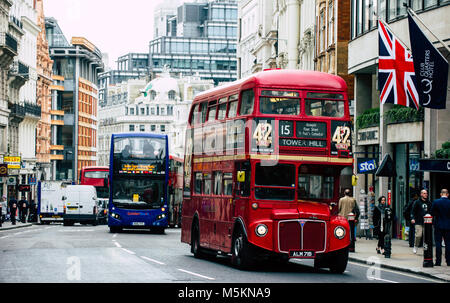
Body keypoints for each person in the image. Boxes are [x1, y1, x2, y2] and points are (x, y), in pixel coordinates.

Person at [430, 189, 450, 266]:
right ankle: (448, 261)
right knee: (448, 243)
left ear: (441, 194)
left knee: (438, 243)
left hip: (438, 225)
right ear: (447, 194)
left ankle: (438, 262)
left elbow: (431, 212)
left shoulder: (436, 202)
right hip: (448, 226)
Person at [410, 189, 431, 254]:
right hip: (418, 221)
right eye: (424, 193)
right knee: (418, 235)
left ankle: (425, 248)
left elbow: (431, 211)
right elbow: (413, 211)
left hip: (427, 222)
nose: (426, 195)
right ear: (421, 194)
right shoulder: (417, 202)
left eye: (426, 193)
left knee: (426, 236)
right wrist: (412, 218)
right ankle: (416, 246)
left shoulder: (429, 202)